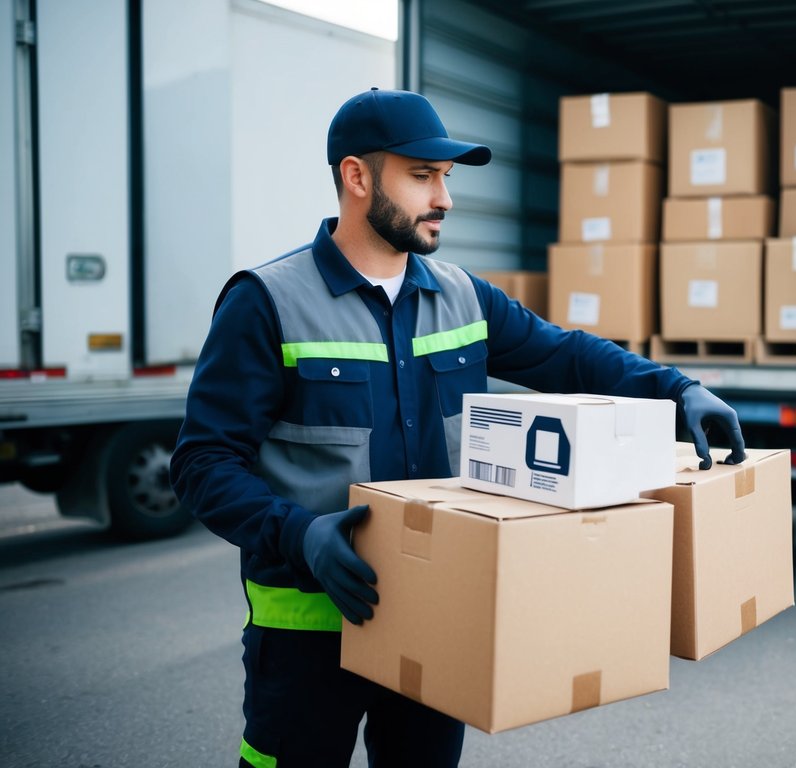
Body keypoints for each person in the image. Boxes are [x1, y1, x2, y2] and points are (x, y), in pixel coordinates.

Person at [170, 87, 746, 768]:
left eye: (445, 178)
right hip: (306, 623)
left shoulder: (463, 297)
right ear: (356, 177)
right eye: (421, 176)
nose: (443, 197)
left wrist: (679, 390)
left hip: (435, 613)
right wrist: (298, 536)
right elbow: (203, 463)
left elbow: (565, 355)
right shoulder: (266, 302)